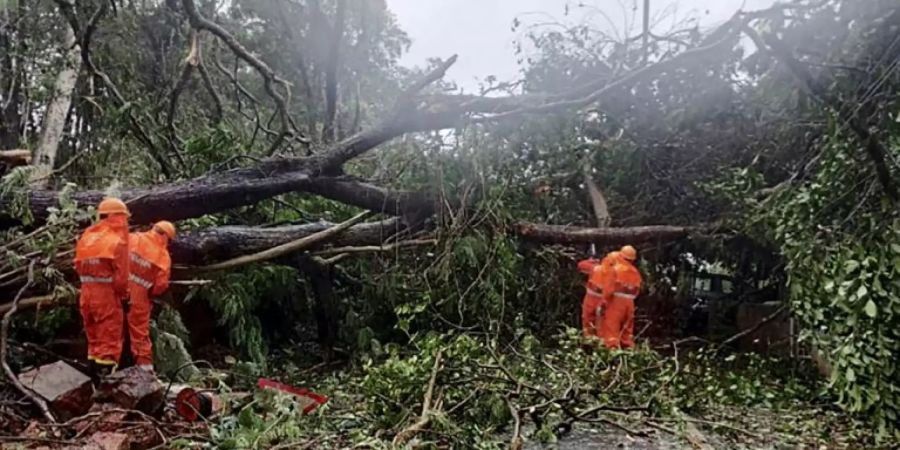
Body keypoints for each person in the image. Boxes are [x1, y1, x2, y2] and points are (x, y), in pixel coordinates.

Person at [74, 198, 130, 378]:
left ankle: (91, 381)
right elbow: (121, 278)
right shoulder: (117, 241)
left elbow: (77, 266)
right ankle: (105, 384)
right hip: (106, 296)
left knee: (94, 338)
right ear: (119, 217)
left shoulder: (87, 236)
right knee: (109, 339)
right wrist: (124, 296)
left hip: (86, 294)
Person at [126, 221, 175, 372]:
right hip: (138, 297)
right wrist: (148, 290)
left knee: (108, 330)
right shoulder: (163, 256)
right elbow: (160, 286)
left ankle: (103, 372)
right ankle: (145, 374)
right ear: (167, 237)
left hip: (114, 289)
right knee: (140, 336)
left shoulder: (133, 238)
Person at [598, 245, 642, 349]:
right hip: (630, 303)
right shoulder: (636, 272)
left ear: (621, 256)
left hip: (616, 303)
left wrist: (603, 302)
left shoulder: (615, 270)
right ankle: (628, 351)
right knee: (627, 331)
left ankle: (612, 353)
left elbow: (609, 289)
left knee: (611, 328)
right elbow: (637, 291)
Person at [577, 250, 620, 339]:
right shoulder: (616, 274)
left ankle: (588, 343)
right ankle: (600, 345)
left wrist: (591, 261)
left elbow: (581, 265)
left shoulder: (595, 268)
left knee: (588, 322)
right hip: (604, 302)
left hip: (590, 300)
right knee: (601, 325)